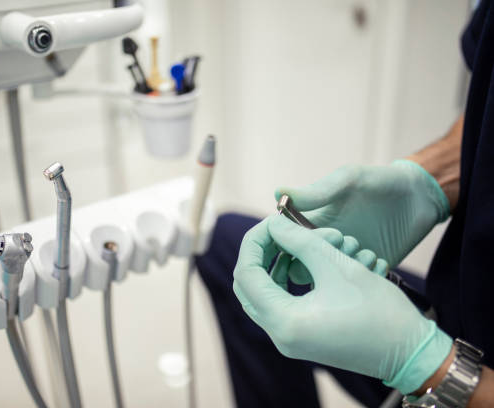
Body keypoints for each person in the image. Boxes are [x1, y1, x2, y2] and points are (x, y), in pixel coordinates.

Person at [196, 1, 494, 407]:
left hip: (465, 380)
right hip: (454, 307)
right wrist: (430, 179)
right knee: (223, 242)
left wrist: (427, 365)